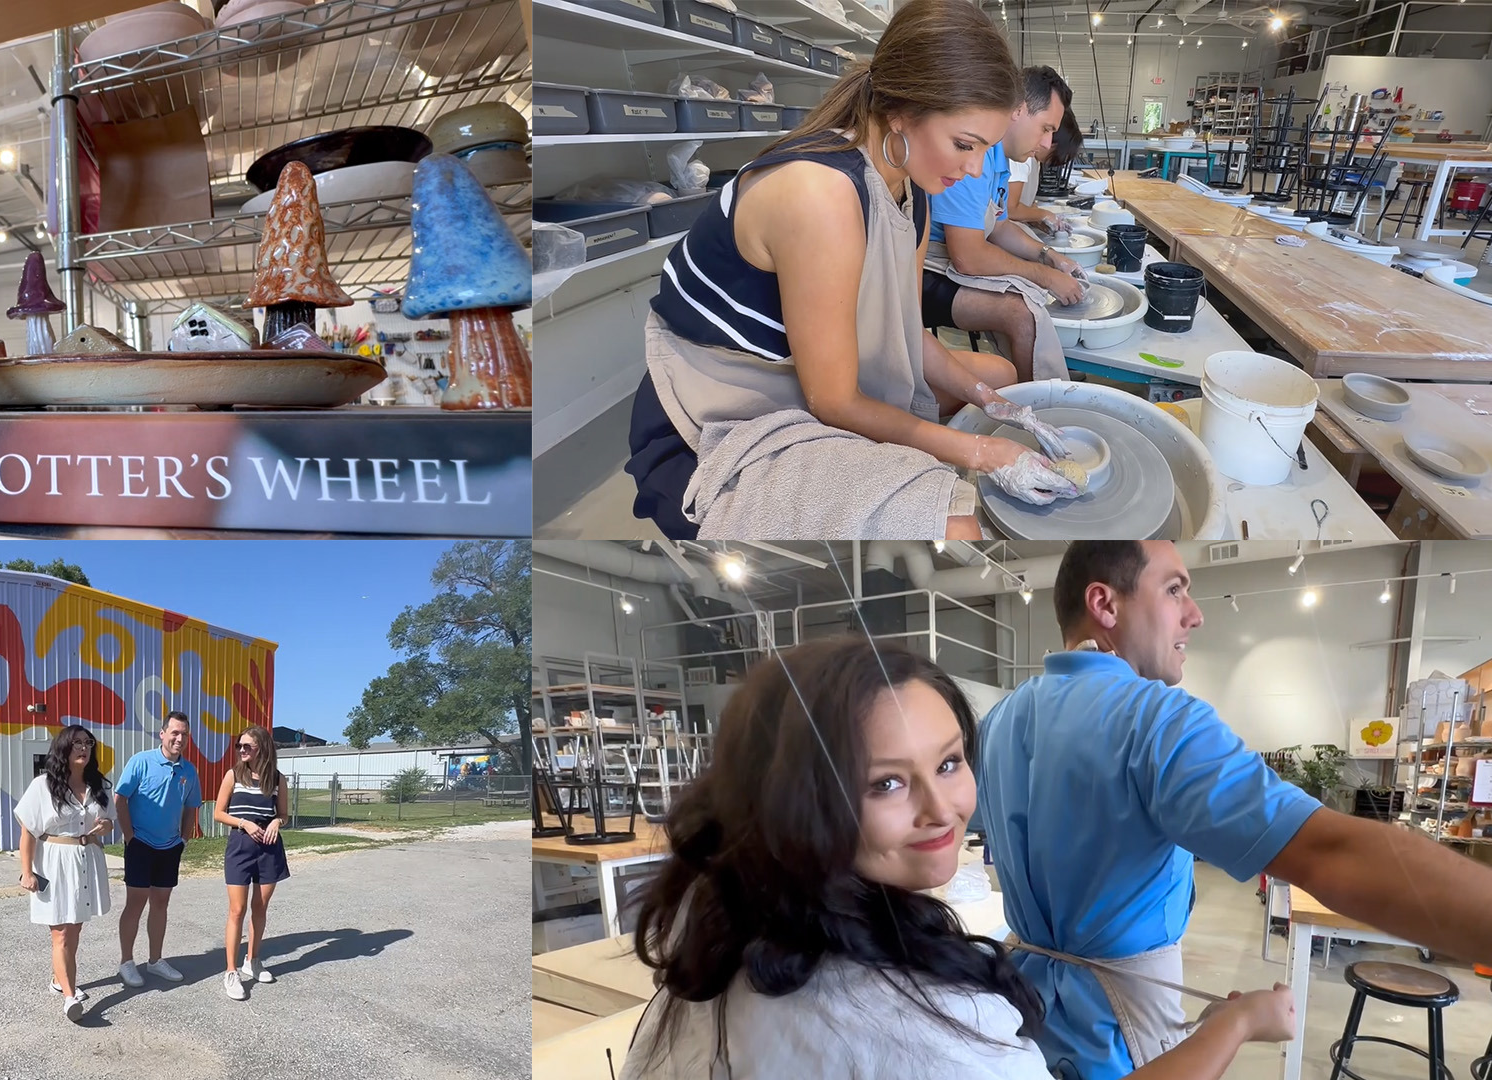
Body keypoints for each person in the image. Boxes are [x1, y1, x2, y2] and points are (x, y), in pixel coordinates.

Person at [622, 636, 1296, 1079]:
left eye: (949, 763)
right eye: (885, 782)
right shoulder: (926, 1027)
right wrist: (1234, 1025)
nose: (943, 809)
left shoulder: (713, 927)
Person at [974, 541, 1492, 1080]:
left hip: (1022, 1011)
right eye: (1174, 590)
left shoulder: (998, 722)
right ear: (1105, 604)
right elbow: (1331, 854)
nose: (1194, 615)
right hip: (1122, 1022)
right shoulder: (1157, 721)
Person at [624, 0, 1082, 543]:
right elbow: (834, 401)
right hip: (717, 415)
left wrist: (997, 405)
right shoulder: (819, 192)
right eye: (965, 144)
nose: (976, 168)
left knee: (1002, 381)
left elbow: (907, 329)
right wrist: (982, 452)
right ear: (901, 111)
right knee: (964, 527)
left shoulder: (914, 182)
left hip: (798, 382)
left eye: (984, 147)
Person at [921, 66, 1084, 383]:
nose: (1046, 142)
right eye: (1045, 128)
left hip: (947, 258)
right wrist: (1046, 277)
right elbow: (968, 257)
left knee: (1031, 285)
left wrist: (1049, 256)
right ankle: (1037, 404)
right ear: (1019, 110)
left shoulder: (999, 159)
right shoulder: (974, 155)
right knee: (1023, 312)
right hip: (924, 270)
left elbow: (999, 225)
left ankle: (1026, 382)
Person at [14, 724, 115, 1024]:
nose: (83, 748)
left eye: (88, 743)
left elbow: (107, 821)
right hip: (54, 862)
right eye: (77, 743)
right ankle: (69, 996)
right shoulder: (43, 786)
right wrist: (26, 872)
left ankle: (59, 978)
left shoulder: (99, 785)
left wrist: (105, 827)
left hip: (86, 858)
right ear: (63, 748)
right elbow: (28, 833)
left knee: (75, 929)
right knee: (59, 933)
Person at [114, 710, 203, 989]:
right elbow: (120, 799)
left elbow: (192, 807)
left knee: (161, 903)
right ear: (162, 734)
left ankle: (155, 960)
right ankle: (127, 962)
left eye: (184, 734)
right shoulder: (141, 762)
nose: (179, 738)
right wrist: (129, 836)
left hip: (169, 847)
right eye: (174, 732)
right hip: (140, 844)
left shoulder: (188, 770)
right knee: (136, 903)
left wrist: (184, 839)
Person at [212, 724, 291, 1002]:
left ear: (263, 749)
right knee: (237, 909)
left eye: (248, 746)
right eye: (240, 746)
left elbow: (284, 814)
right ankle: (231, 971)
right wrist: (243, 822)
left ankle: (252, 960)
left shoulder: (277, 779)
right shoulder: (233, 775)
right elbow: (218, 813)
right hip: (240, 846)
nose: (242, 750)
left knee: (260, 908)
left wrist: (276, 822)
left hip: (269, 849)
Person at [1005, 108, 1082, 233]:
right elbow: (1010, 209)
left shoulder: (1036, 160)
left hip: (1014, 229)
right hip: (1005, 231)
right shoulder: (1022, 159)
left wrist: (1039, 222)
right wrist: (1043, 215)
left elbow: (1027, 203)